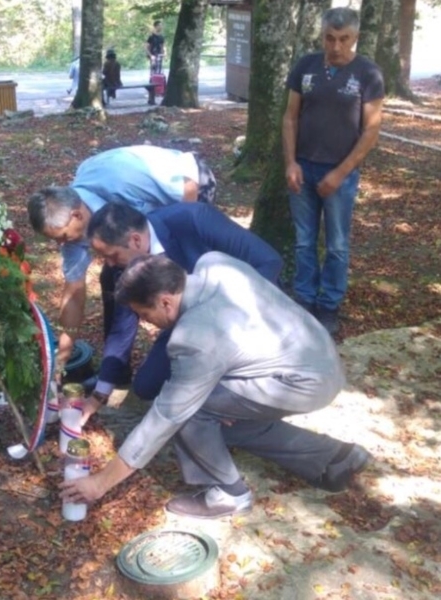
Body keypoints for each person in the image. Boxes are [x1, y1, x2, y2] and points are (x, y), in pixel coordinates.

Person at [60, 252, 370, 518]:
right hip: (320, 353)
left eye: (144, 314)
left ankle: (228, 494)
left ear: (166, 301)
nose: (145, 322)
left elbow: (166, 417)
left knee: (192, 413)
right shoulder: (215, 263)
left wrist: (99, 483)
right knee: (219, 417)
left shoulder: (193, 338)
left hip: (302, 381)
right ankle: (333, 458)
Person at [26, 145, 217, 395]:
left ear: (77, 215)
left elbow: (187, 190)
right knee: (114, 281)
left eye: (62, 237)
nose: (61, 245)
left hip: (187, 186)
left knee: (176, 284)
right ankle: (116, 372)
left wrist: (176, 259)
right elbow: (74, 289)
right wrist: (65, 348)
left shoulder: (120, 179)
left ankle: (189, 359)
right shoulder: (70, 230)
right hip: (142, 217)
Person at [84, 201, 283, 407]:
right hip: (186, 325)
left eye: (112, 255)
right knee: (146, 386)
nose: (109, 264)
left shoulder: (193, 219)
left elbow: (269, 261)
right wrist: (101, 392)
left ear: (135, 240)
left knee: (215, 396)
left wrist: (231, 315)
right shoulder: (124, 267)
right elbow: (121, 327)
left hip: (240, 317)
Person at [283, 7, 384, 335]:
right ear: (322, 35)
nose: (336, 46)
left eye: (344, 39)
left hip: (341, 173)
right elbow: (290, 117)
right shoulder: (305, 66)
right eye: (330, 38)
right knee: (304, 240)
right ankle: (305, 299)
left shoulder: (368, 73)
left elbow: (371, 130)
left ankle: (329, 305)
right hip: (303, 168)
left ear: (355, 38)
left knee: (337, 243)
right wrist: (290, 162)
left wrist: (341, 172)